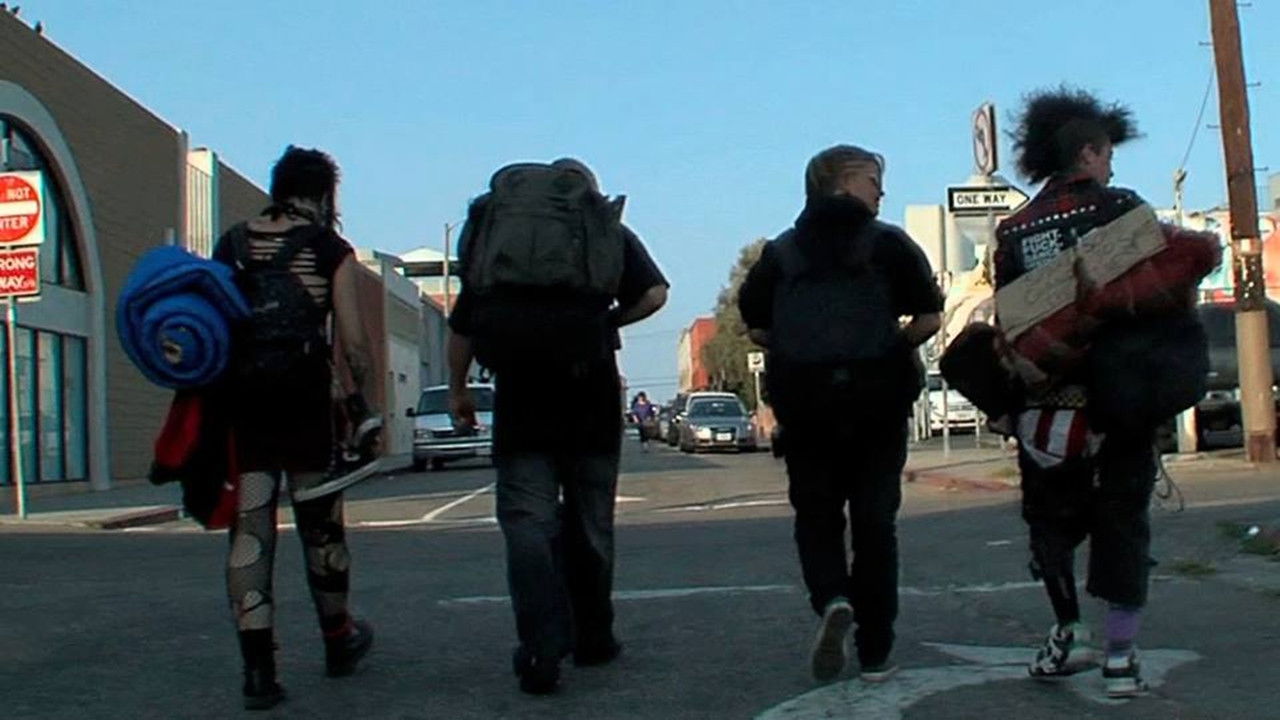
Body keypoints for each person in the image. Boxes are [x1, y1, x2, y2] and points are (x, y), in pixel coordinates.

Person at [993, 88, 1198, 698]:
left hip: (1047, 407)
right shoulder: (1122, 208)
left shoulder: (1015, 229)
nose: (1111, 164)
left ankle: (1067, 630)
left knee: (1049, 524)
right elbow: (1160, 299)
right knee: (1123, 523)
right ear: (1088, 151)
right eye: (1107, 152)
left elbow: (1011, 323)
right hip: (1122, 397)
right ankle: (1120, 657)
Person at [447, 158, 668, 694]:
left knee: (528, 524)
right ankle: (594, 637)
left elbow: (465, 323)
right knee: (590, 524)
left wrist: (458, 391)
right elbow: (655, 293)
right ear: (586, 192)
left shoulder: (502, 238)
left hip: (523, 396)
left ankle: (542, 645)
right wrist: (608, 320)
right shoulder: (603, 228)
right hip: (587, 393)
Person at [738, 145, 942, 683]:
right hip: (876, 403)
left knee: (817, 516)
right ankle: (876, 643)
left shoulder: (780, 253)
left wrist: (800, 347)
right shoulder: (888, 243)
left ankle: (831, 598)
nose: (881, 191)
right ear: (841, 183)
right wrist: (892, 343)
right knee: (876, 523)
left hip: (806, 407)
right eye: (873, 179)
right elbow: (929, 315)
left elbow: (756, 325)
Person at [212, 146, 378, 710]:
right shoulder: (331, 249)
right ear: (324, 195)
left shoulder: (233, 242)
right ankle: (338, 639)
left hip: (246, 400)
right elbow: (353, 343)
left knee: (252, 530)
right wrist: (364, 406)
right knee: (321, 527)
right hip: (306, 398)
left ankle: (258, 671)